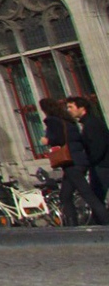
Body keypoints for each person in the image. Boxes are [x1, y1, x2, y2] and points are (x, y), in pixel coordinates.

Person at [41, 97, 109, 226]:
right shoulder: (70, 122)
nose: (69, 109)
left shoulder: (53, 121)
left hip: (73, 162)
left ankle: (104, 221)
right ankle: (72, 223)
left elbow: (59, 138)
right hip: (76, 162)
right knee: (65, 195)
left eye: (71, 107)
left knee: (89, 195)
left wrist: (48, 141)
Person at [68, 96, 109, 203]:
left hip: (102, 166)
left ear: (81, 108)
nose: (68, 110)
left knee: (96, 199)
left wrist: (89, 161)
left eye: (71, 107)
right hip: (100, 165)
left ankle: (101, 219)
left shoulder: (91, 123)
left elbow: (98, 146)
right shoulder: (88, 123)